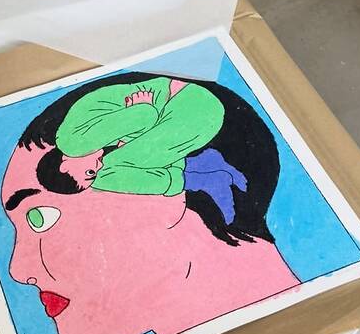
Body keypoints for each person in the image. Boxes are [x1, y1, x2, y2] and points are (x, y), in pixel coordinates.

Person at [1, 72, 300, 334]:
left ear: (159, 200)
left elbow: (144, 117)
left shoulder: (81, 141)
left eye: (40, 218)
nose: (18, 271)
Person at [50, 76, 248, 224]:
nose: (97, 167)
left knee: (106, 175)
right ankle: (201, 166)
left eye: (88, 172)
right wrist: (128, 140)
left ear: (64, 165)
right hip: (191, 112)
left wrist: (129, 137)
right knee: (106, 173)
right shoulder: (74, 138)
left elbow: (145, 114)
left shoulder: (74, 144)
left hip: (193, 109)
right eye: (92, 173)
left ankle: (201, 179)